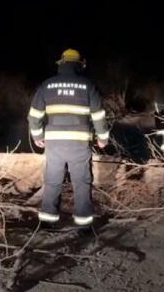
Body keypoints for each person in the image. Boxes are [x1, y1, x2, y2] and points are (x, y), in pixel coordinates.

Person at [28, 48, 109, 227]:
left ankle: (47, 222)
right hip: (78, 143)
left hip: (54, 143)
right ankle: (84, 224)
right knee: (81, 182)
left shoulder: (47, 85)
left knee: (52, 181)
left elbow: (34, 115)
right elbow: (98, 116)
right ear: (79, 65)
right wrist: (103, 138)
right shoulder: (88, 85)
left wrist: (37, 136)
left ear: (62, 63)